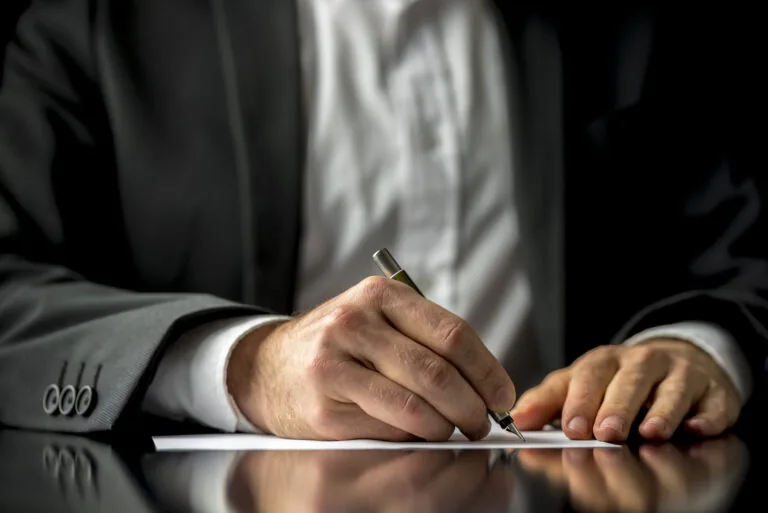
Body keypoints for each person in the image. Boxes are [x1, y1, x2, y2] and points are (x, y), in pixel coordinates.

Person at [0, 1, 765, 442]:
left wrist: (696, 345)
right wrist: (244, 365)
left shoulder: (644, 18)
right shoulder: (89, 22)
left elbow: (739, 251)